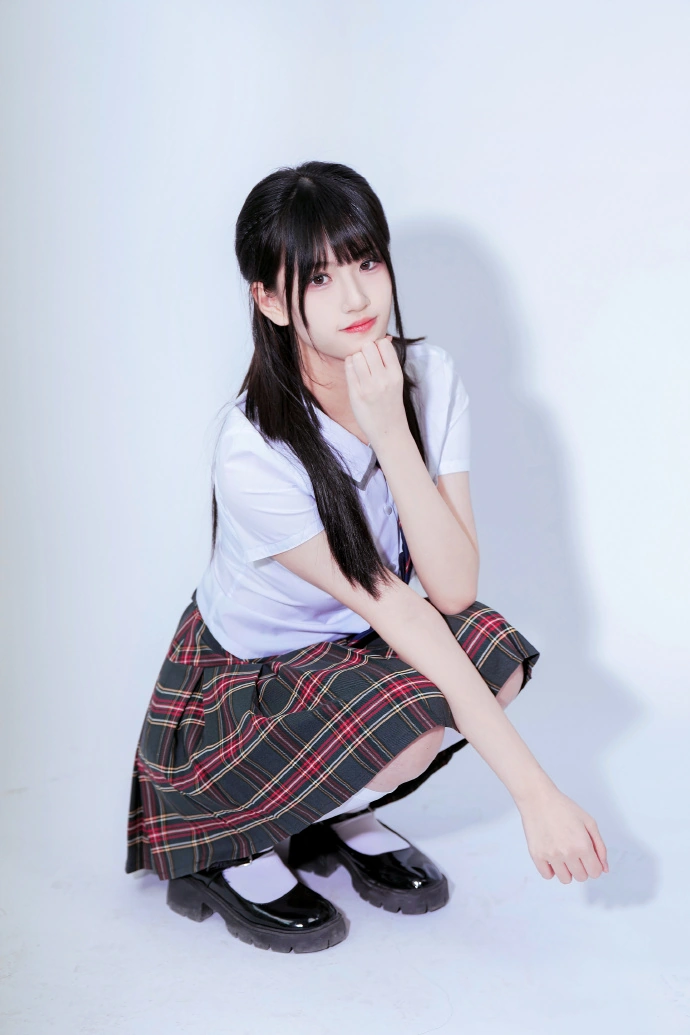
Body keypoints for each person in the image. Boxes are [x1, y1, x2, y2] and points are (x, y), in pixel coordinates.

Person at [125, 160, 608, 954]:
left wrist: (391, 430)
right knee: (415, 721)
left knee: (493, 655)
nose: (356, 298)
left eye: (366, 262)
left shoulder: (429, 376)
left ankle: (329, 810)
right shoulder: (252, 451)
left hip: (351, 645)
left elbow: (452, 587)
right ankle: (236, 846)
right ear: (269, 300)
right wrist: (536, 793)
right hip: (247, 682)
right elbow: (402, 612)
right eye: (318, 278)